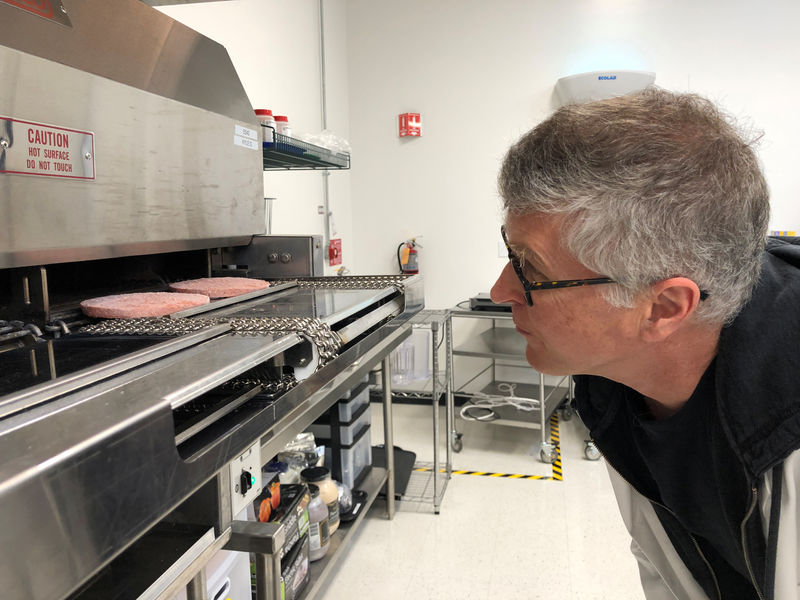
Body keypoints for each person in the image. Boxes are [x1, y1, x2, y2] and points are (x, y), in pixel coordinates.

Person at [490, 87, 800, 599]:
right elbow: (669, 566)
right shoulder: (612, 384)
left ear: (663, 307)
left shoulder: (784, 423)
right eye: (511, 252)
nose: (502, 291)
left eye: (531, 269)